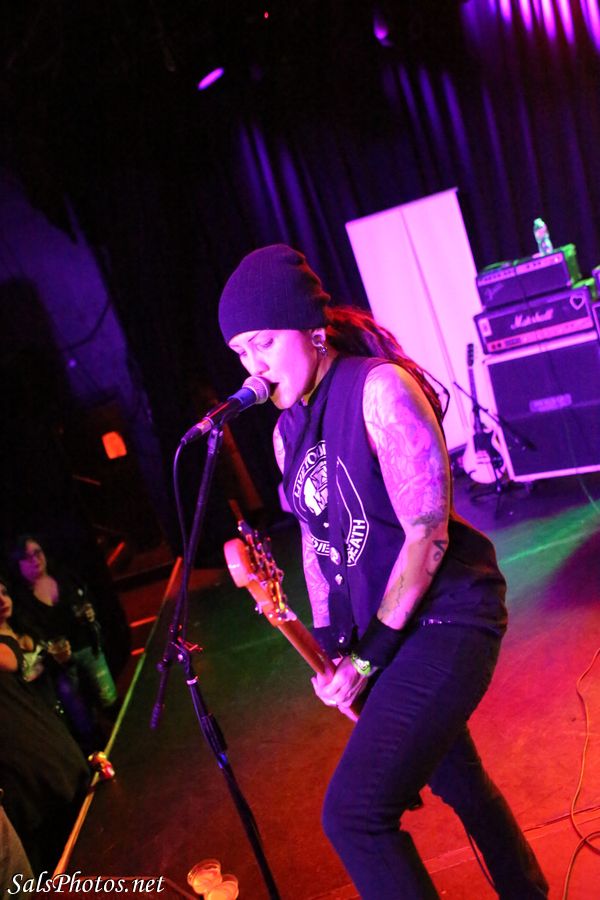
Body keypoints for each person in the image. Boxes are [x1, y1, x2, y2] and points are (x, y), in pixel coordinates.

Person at [217, 244, 548, 899]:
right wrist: (333, 649)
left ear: (310, 328)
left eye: (264, 342)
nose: (254, 366)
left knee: (354, 817)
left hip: (449, 618)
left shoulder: (379, 389)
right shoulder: (286, 434)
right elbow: (316, 543)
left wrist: (367, 658)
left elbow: (427, 536)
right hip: (384, 634)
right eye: (241, 353)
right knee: (462, 783)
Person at [0, 574, 89, 874]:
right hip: (17, 770)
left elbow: (9, 660)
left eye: (3, 592)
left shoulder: (6, 640)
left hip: (39, 750)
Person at [11, 535, 118, 751]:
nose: (35, 560)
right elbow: (32, 636)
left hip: (87, 647)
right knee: (81, 716)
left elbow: (86, 601)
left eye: (37, 553)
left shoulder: (64, 578)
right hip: (59, 666)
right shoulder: (21, 601)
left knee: (109, 700)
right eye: (27, 557)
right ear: (18, 564)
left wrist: (89, 613)